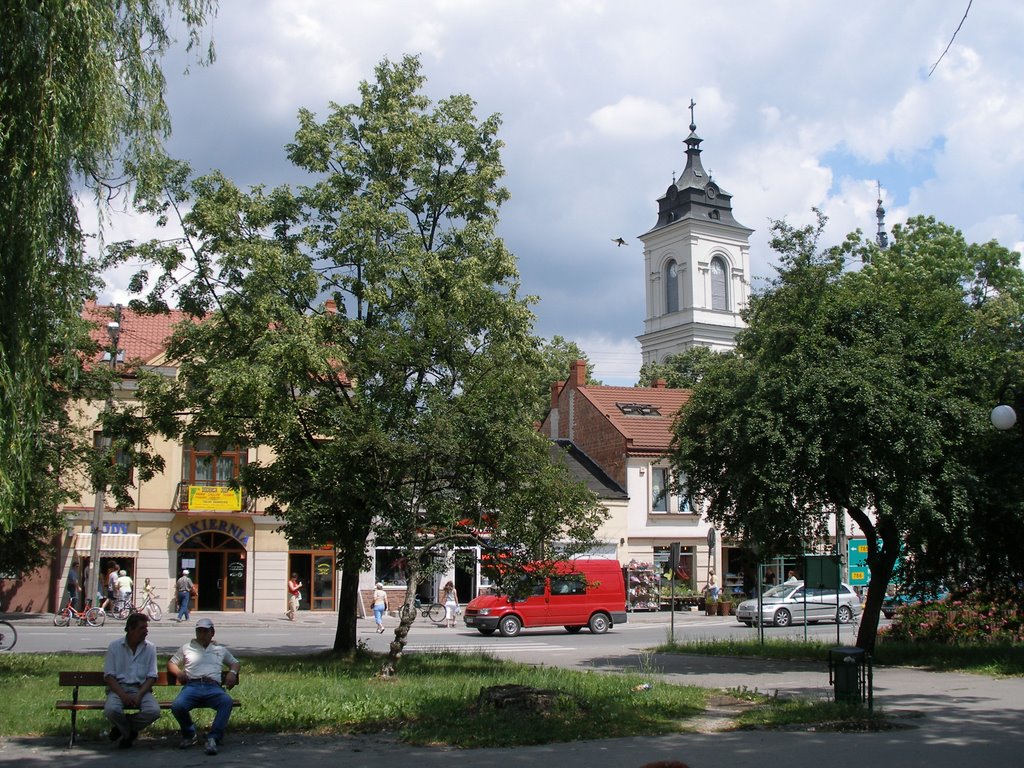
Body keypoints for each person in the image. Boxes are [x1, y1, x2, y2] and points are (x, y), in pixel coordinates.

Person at [168, 618, 241, 756]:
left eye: (205, 631)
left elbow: (235, 663)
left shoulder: (220, 649)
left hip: (213, 686)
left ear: (212, 632)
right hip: (192, 686)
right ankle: (189, 734)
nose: (202, 634)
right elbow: (172, 663)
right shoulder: (187, 647)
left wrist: (232, 673)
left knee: (226, 702)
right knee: (177, 705)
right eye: (199, 631)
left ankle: (213, 737)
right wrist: (178, 673)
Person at [103, 613, 160, 749]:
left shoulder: (150, 648)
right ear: (130, 629)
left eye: (146, 627)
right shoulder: (114, 647)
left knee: (154, 711)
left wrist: (140, 694)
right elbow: (109, 676)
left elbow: (152, 676)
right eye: (142, 628)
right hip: (118, 690)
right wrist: (122, 695)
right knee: (111, 710)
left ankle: (122, 727)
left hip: (141, 689)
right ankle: (129, 734)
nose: (146, 631)